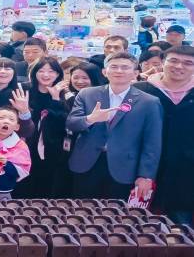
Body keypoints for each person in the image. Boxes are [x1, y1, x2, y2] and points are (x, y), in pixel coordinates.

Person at [66, 52, 163, 200]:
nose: (119, 71)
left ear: (135, 73)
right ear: (105, 72)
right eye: (114, 67)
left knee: (117, 210)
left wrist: (146, 175)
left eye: (125, 67)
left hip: (125, 166)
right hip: (87, 162)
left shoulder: (149, 102)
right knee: (82, 208)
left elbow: (152, 142)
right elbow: (72, 123)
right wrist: (90, 119)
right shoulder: (87, 94)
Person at [135, 46, 194, 224]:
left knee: (181, 227)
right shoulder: (140, 90)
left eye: (188, 63)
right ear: (162, 62)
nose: (179, 66)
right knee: (136, 225)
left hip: (186, 174)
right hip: (142, 169)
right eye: (173, 60)